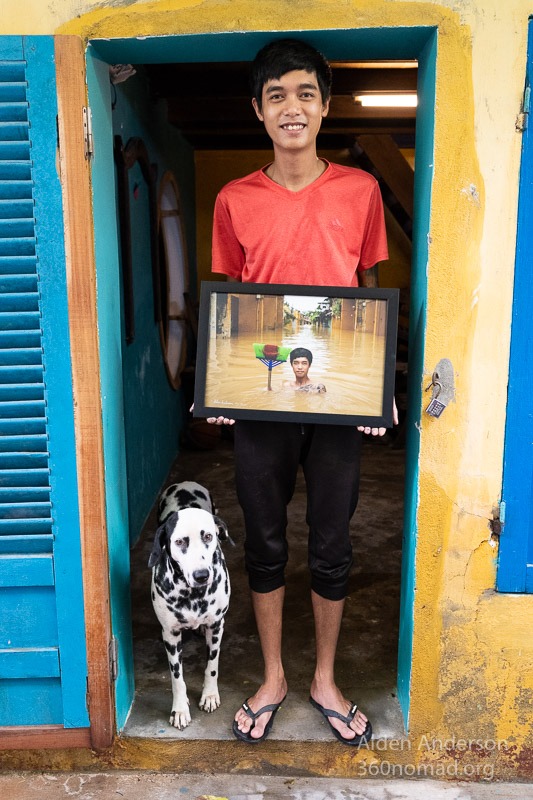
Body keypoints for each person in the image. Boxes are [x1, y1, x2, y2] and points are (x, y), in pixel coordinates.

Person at [208, 38, 397, 745]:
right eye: (277, 95)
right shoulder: (234, 199)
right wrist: (219, 380)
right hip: (261, 398)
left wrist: (379, 389)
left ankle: (322, 678)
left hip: (338, 396)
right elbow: (229, 298)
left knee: (331, 542)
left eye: (306, 94)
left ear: (325, 106)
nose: (293, 107)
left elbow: (367, 289)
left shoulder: (360, 190)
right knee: (262, 539)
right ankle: (273, 678)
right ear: (258, 110)